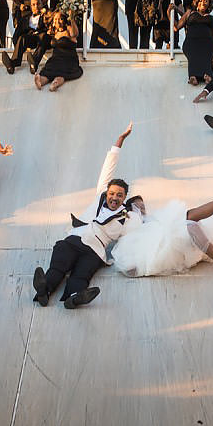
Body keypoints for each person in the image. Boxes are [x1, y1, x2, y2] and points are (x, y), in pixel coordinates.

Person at [32, 123, 141, 309]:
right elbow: (109, 166)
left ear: (125, 198)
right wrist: (120, 140)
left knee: (82, 274)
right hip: (77, 238)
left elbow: (131, 242)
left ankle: (74, 298)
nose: (114, 197)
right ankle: (44, 290)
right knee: (59, 264)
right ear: (108, 192)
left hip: (95, 250)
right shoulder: (100, 196)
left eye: (119, 195)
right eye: (112, 193)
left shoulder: (127, 218)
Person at [112, 177, 213, 277]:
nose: (142, 208)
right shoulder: (128, 222)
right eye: (138, 205)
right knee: (188, 221)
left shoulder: (149, 220)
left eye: (142, 205)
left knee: (189, 223)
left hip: (167, 243)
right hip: (159, 252)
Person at [177, 0, 213, 86]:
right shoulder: (189, 13)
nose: (203, 3)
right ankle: (193, 76)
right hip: (192, 42)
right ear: (196, 2)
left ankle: (207, 74)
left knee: (207, 51)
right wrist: (169, 12)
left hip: (208, 43)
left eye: (205, 1)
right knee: (193, 52)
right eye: (200, 0)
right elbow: (177, 27)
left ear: (209, 3)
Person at [34, 10, 83, 91]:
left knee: (61, 75)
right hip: (55, 59)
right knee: (47, 73)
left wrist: (72, 19)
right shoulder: (54, 32)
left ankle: (55, 84)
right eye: (55, 19)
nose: (58, 21)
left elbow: (75, 34)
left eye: (60, 19)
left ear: (64, 20)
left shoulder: (69, 29)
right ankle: (40, 81)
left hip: (68, 59)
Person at [2, 0, 48, 74]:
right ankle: (13, 63)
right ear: (31, 6)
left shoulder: (47, 16)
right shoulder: (25, 18)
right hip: (31, 39)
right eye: (33, 4)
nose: (36, 6)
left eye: (38, 4)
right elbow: (17, 33)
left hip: (42, 39)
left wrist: (46, 14)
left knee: (44, 36)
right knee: (22, 37)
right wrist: (18, 46)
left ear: (42, 4)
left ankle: (34, 63)